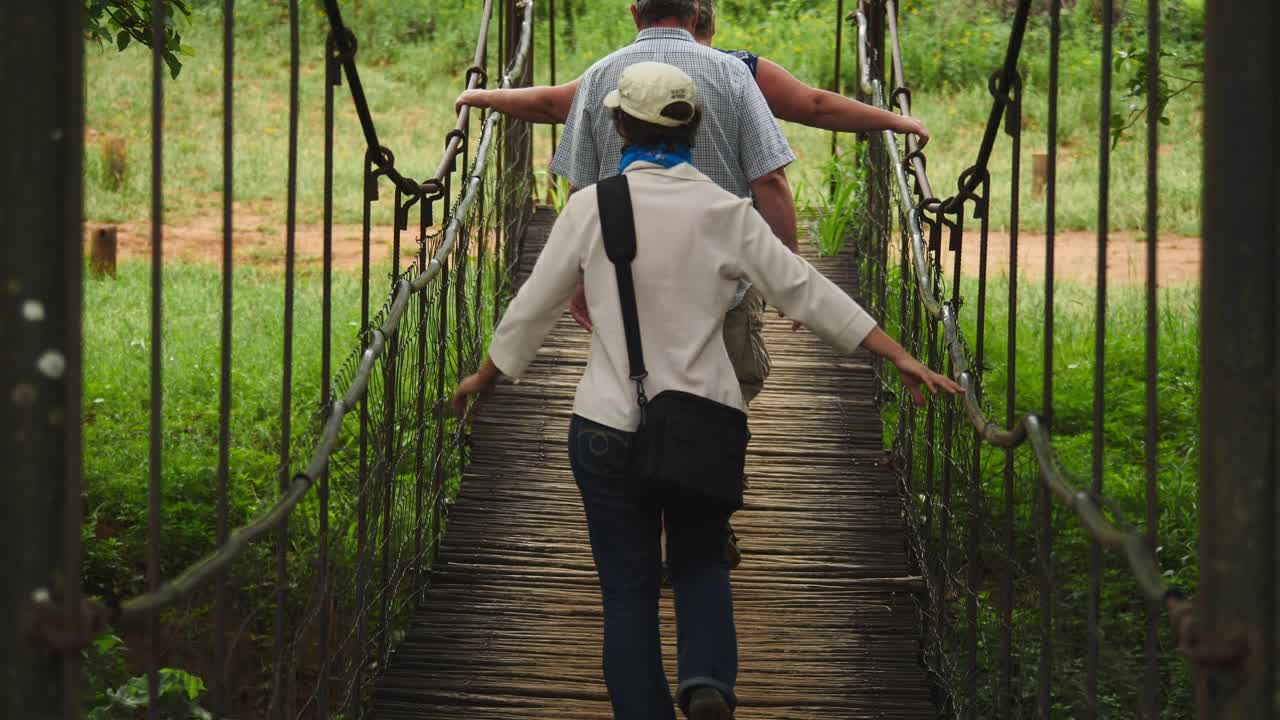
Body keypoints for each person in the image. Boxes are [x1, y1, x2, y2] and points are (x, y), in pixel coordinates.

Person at [451, 62, 961, 720]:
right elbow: (806, 291)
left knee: (627, 593)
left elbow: (532, 308)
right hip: (704, 425)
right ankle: (707, 682)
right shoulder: (727, 213)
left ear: (618, 126)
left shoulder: (589, 209)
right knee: (700, 562)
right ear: (694, 129)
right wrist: (897, 355)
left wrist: (487, 376)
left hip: (605, 426)